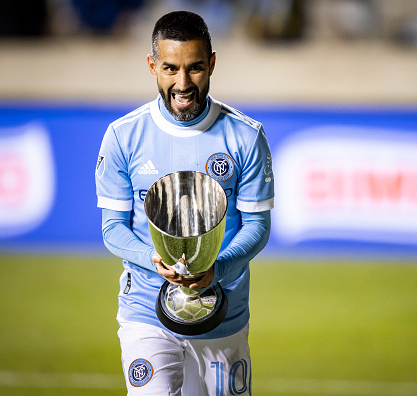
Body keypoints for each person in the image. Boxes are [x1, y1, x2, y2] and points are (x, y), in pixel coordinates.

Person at [95, 11, 274, 396]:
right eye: (170, 68)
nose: (182, 83)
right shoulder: (123, 137)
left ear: (211, 63)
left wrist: (217, 267)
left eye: (194, 68)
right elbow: (113, 229)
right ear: (152, 66)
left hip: (223, 313)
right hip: (146, 308)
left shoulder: (246, 136)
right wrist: (153, 261)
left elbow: (257, 226)